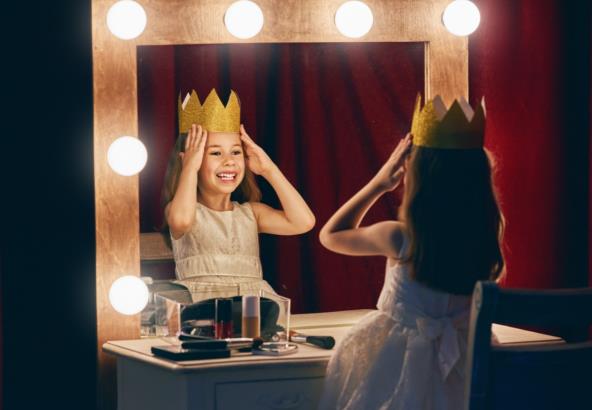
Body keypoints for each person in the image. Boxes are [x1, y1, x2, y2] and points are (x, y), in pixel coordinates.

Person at [317, 95, 505, 410]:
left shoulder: (400, 238)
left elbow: (330, 235)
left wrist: (379, 183)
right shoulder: (485, 239)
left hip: (398, 364)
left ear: (418, 176)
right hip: (467, 363)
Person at [162, 88, 315, 302]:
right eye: (216, 153)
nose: (229, 161)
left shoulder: (252, 213)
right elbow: (181, 220)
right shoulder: (182, 210)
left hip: (252, 311)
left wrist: (269, 169)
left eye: (236, 152)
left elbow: (304, 222)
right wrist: (189, 167)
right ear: (189, 160)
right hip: (202, 311)